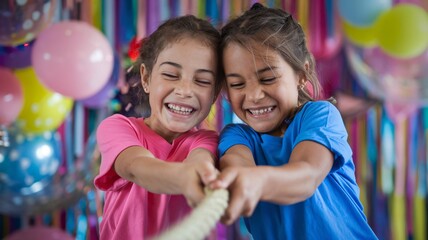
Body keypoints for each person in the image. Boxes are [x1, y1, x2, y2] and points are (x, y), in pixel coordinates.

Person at [210, 3, 378, 240]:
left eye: (268, 78)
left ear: (301, 74)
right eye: (237, 84)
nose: (254, 96)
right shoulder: (236, 136)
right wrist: (237, 179)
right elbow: (238, 164)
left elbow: (306, 175)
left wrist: (255, 181)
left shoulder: (320, 116)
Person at [94, 15, 223, 240]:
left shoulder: (208, 140)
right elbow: (135, 166)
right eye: (171, 75)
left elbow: (200, 160)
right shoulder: (117, 128)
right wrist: (185, 178)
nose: (185, 90)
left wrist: (201, 173)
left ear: (214, 93)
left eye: (202, 81)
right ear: (146, 78)